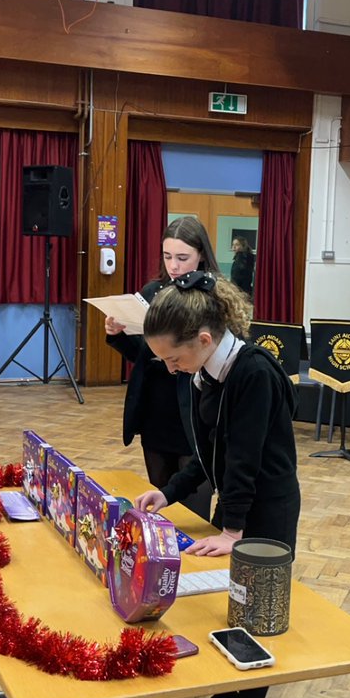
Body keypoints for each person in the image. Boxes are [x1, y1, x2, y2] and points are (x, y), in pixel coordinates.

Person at [134, 271, 300, 698]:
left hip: (266, 511)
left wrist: (233, 531)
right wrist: (171, 490)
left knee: (256, 617)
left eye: (174, 357)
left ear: (204, 339)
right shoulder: (207, 371)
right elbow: (211, 455)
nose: (170, 367)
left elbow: (245, 460)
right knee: (230, 609)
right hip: (239, 504)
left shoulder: (252, 373)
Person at [104, 217, 219, 511]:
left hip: (195, 409)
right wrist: (117, 335)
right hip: (156, 410)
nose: (174, 266)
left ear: (201, 255)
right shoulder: (152, 292)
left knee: (194, 510)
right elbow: (142, 355)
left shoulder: (215, 295)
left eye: (183, 258)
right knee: (158, 504)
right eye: (168, 257)